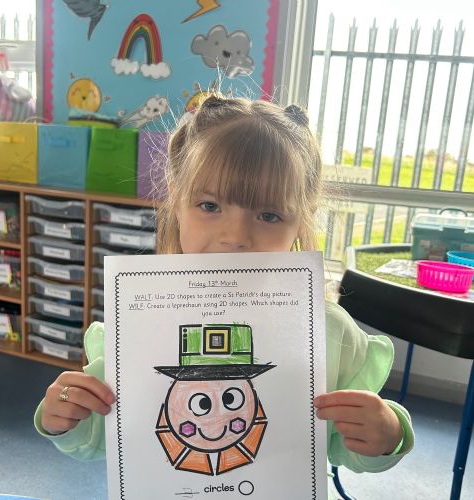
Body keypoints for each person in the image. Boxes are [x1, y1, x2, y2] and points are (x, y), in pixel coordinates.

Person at [34, 95, 414, 488]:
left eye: (268, 215)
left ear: (301, 221)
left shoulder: (328, 332)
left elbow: (343, 446)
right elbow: (101, 436)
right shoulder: (139, 320)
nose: (235, 237)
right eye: (210, 206)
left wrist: (386, 434)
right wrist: (64, 416)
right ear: (176, 201)